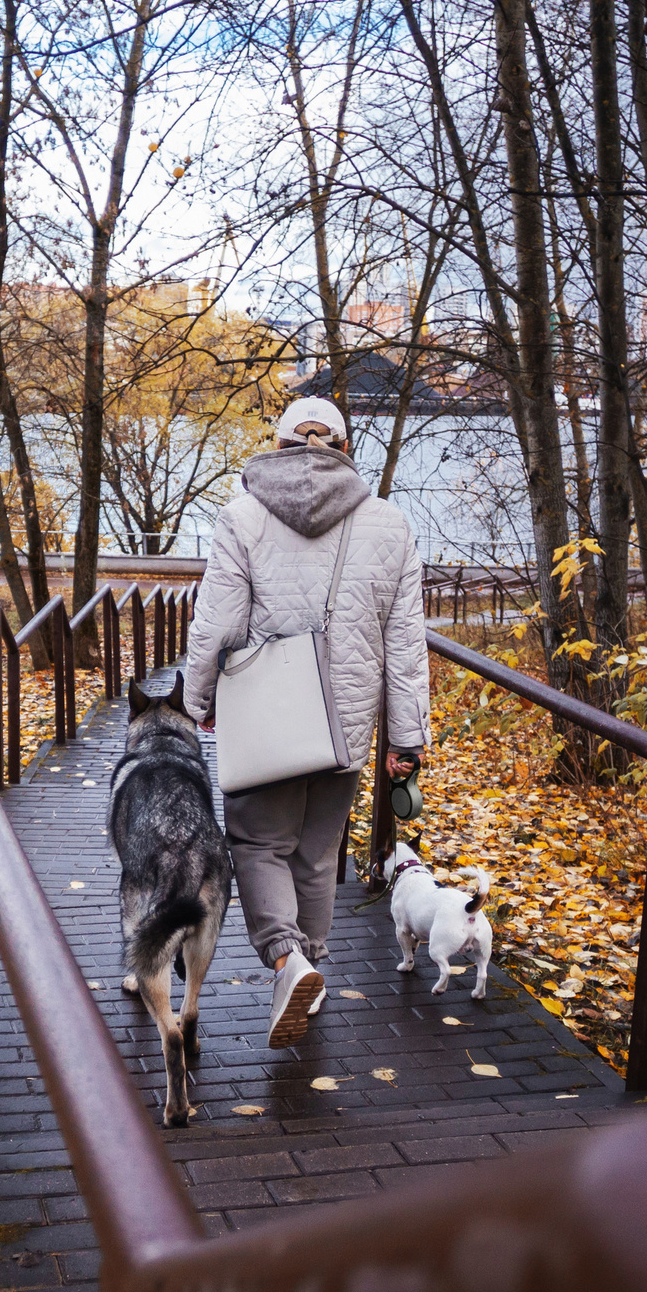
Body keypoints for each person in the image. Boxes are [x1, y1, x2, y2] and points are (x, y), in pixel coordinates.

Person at [181, 395, 431, 1048]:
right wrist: (407, 738)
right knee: (318, 854)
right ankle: (311, 968)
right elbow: (406, 645)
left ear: (279, 444)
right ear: (345, 448)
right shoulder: (390, 524)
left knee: (259, 843)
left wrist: (198, 700)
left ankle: (287, 959)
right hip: (346, 723)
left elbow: (216, 622)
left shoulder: (242, 516)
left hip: (267, 716)